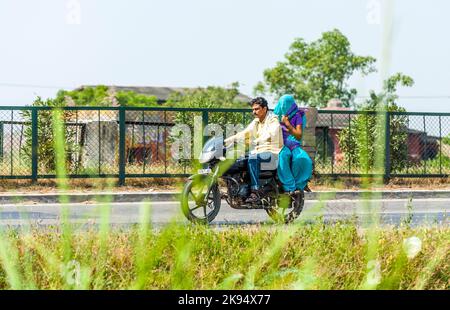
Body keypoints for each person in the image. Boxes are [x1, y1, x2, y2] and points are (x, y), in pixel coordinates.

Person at [224, 97, 283, 203]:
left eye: (256, 109)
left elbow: (271, 133)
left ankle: (255, 191)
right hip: (258, 152)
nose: (254, 112)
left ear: (264, 109)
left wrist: (257, 141)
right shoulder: (256, 122)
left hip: (272, 153)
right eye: (253, 109)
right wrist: (225, 142)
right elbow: (243, 134)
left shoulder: (273, 120)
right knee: (236, 160)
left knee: (252, 158)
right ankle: (238, 190)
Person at [274, 95, 313, 195]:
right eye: (282, 105)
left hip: (294, 144)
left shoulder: (297, 116)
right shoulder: (275, 116)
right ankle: (289, 186)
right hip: (280, 144)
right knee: (283, 156)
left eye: (286, 105)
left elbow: (298, 135)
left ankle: (300, 185)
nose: (284, 107)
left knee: (302, 159)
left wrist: (287, 124)